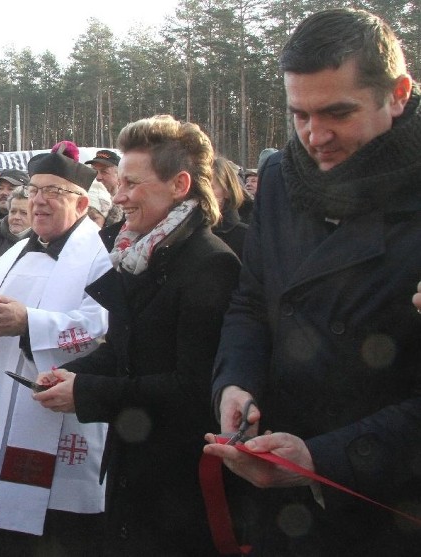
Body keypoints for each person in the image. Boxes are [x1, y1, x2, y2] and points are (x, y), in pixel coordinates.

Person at [204, 8, 421, 555]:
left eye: (337, 113)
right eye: (299, 114)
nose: (315, 136)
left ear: (397, 93)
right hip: (284, 496)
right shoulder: (281, 176)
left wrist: (324, 459)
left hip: (391, 503)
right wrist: (237, 382)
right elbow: (253, 303)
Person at [33, 116, 240, 556]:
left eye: (132, 184)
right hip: (133, 467)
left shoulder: (210, 265)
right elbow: (125, 353)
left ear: (179, 184)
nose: (119, 196)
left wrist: (88, 393)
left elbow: (193, 388)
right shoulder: (137, 254)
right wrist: (69, 374)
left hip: (177, 485)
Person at [0, 141, 110, 556]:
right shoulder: (20, 248)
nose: (39, 200)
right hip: (2, 412)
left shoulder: (99, 255)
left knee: (52, 540)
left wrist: (30, 324)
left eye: (53, 192)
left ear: (80, 202)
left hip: (55, 417)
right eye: (35, 189)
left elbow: (101, 328)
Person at [211, 156, 249, 258]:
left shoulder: (246, 237)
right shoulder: (184, 233)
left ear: (227, 191)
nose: (203, 194)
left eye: (210, 187)